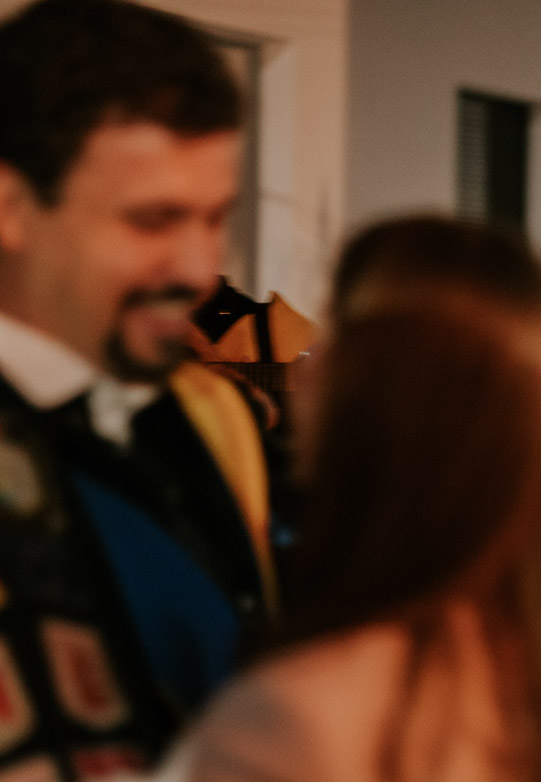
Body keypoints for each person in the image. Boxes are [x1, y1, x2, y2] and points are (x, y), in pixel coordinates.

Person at [148, 215, 541, 782]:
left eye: (339, 332)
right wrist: (538, 462)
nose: (311, 358)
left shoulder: (296, 709)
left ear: (389, 396)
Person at [0, 0, 277, 775]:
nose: (197, 268)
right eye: (154, 220)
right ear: (11, 208)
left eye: (215, 218)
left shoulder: (204, 410)